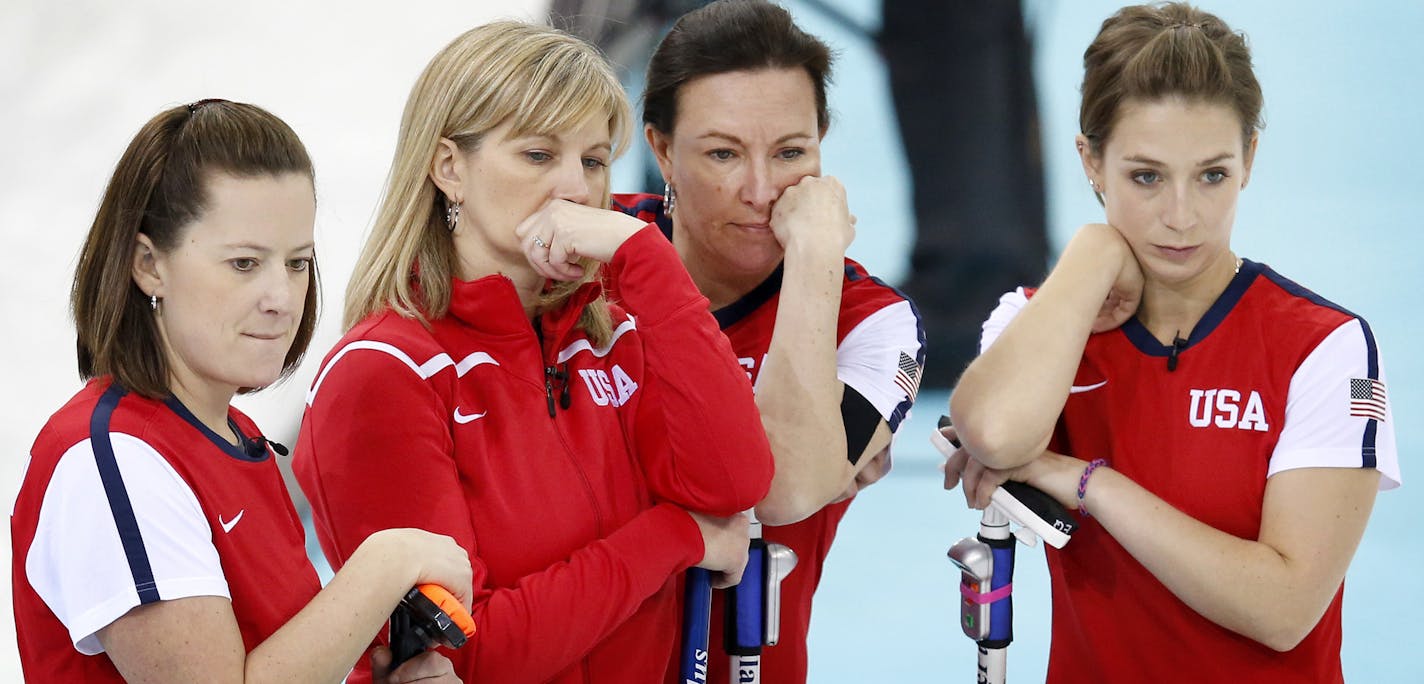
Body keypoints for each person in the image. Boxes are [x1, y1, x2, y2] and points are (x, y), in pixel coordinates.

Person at [292, 21, 774, 684]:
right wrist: (675, 537)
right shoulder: (383, 375)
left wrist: (644, 258)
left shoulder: (615, 336)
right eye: (539, 155)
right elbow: (472, 654)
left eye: (594, 160)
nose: (575, 189)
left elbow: (733, 483)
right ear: (449, 168)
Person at [942, 4, 1400, 682]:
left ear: (1249, 157)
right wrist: (1093, 253)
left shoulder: (1326, 346)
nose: (1181, 218)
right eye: (1146, 177)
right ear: (1091, 162)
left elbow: (1284, 608)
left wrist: (1084, 481)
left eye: (1211, 174)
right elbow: (995, 436)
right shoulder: (1041, 323)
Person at [10, 100, 472, 683]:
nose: (282, 296)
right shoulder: (114, 459)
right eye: (244, 263)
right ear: (149, 264)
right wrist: (383, 565)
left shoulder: (236, 435)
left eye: (298, 263)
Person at [612, 2, 926, 681]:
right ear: (660, 150)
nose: (760, 191)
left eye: (790, 152)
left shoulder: (870, 320)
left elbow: (782, 489)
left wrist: (815, 255)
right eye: (723, 153)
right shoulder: (590, 253)